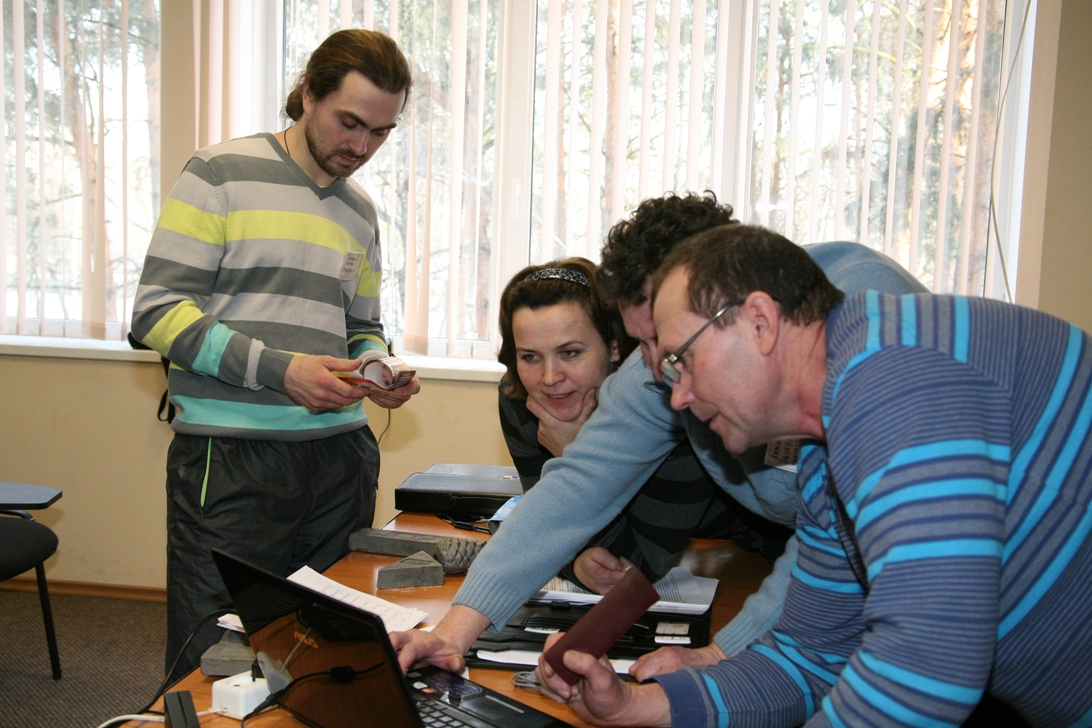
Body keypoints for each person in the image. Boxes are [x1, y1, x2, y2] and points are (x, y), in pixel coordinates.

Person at [536, 223, 1092, 727]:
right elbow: (807, 658)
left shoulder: (895, 378)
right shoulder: (826, 460)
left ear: (759, 323)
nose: (677, 394)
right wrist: (634, 706)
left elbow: (922, 666)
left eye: (681, 359)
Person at [392, 192, 927, 682]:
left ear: (741, 311)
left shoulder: (874, 349)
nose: (658, 373)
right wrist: (453, 632)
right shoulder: (668, 361)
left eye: (667, 346)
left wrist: (722, 656)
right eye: (643, 343)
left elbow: (834, 539)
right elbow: (577, 486)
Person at [131, 29, 421, 677]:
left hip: (341, 459)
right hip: (234, 460)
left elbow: (361, 326)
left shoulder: (361, 212)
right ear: (309, 93)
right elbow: (157, 312)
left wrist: (378, 367)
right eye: (350, 123)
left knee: (325, 655)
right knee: (218, 658)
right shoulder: (219, 173)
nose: (362, 147)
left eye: (381, 132)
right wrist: (281, 371)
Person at [496, 257, 789, 589]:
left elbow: (640, 562)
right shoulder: (521, 400)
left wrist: (576, 455)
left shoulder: (667, 401)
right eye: (530, 356)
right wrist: (573, 565)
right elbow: (545, 525)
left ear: (614, 346)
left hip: (766, 544)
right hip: (693, 548)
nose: (549, 378)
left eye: (570, 353)